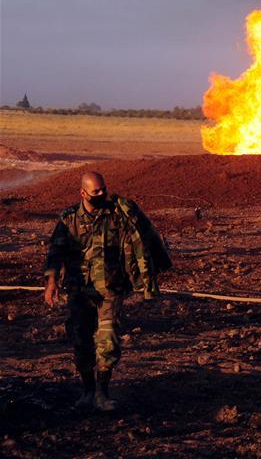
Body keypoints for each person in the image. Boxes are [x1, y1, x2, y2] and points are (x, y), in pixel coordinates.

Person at [43, 171, 168, 411]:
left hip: (111, 289)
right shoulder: (69, 219)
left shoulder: (117, 216)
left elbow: (141, 238)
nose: (102, 194)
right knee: (81, 341)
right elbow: (54, 253)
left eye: (104, 189)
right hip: (79, 291)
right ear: (83, 193)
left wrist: (147, 276)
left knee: (108, 340)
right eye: (96, 191)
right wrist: (51, 282)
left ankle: (102, 392)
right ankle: (87, 390)